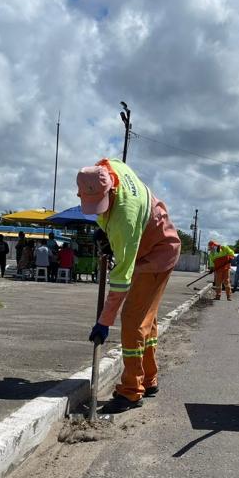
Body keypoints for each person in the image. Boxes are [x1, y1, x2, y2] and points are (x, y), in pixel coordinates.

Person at [78, 158, 180, 414]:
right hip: (153, 243)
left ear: (112, 189)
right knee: (148, 319)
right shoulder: (108, 167)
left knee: (133, 319)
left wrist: (104, 322)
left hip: (157, 255)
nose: (98, 211)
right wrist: (104, 230)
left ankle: (132, 391)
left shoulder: (125, 216)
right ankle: (148, 379)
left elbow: (121, 280)